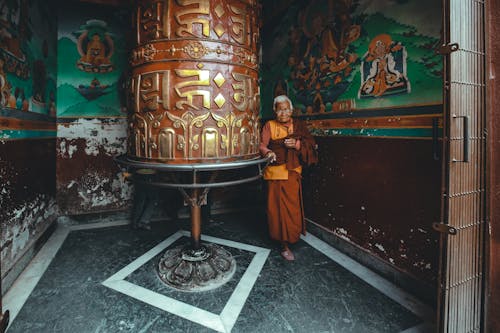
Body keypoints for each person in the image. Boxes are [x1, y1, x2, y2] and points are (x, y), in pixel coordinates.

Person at [260, 95, 317, 261]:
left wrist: (297, 145)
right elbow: (261, 144)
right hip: (275, 174)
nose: (283, 112)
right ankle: (283, 244)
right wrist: (268, 152)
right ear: (275, 111)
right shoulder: (269, 125)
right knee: (277, 210)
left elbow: (311, 145)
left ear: (291, 110)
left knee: (292, 208)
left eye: (285, 109)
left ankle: (292, 236)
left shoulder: (298, 125)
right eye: (279, 109)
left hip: (292, 171)